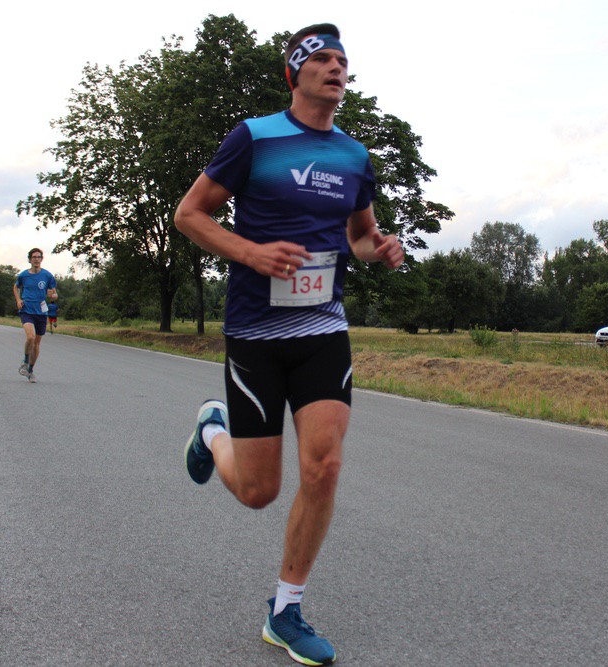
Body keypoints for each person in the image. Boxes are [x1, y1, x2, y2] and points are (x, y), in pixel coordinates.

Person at [174, 22, 403, 666]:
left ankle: (285, 610)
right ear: (294, 73)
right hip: (255, 333)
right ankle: (212, 432)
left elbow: (359, 236)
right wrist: (250, 252)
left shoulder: (354, 157)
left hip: (323, 329)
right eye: (322, 59)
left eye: (342, 61)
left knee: (324, 466)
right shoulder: (255, 137)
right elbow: (190, 214)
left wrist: (380, 248)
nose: (336, 68)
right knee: (258, 492)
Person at [13, 248, 58, 383]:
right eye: (34, 257)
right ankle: (25, 361)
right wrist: (18, 300)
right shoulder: (23, 275)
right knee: (31, 337)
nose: (36, 259)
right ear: (30, 259)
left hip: (41, 311)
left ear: (42, 259)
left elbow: (54, 293)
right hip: (27, 309)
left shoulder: (47, 276)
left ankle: (30, 370)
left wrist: (53, 296)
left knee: (37, 343)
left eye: (38, 257)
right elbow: (16, 287)